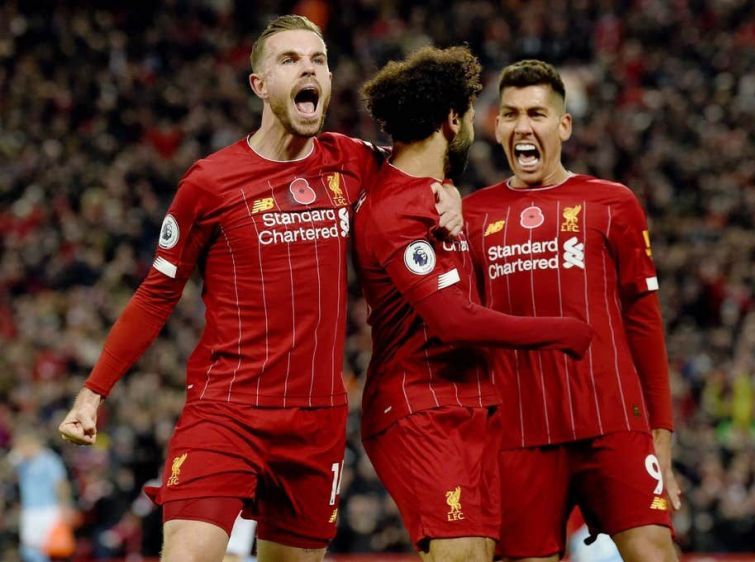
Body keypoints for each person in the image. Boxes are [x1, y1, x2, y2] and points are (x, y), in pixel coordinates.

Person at [57, 15, 462, 562]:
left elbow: (416, 182)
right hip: (227, 409)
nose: (309, 69)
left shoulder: (353, 161)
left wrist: (448, 192)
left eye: (318, 59)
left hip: (317, 421)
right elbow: (157, 292)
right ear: (260, 85)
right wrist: (93, 392)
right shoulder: (209, 183)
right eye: (290, 60)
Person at [353, 47, 593, 562]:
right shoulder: (395, 209)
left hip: (468, 405)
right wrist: (561, 331)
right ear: (451, 120)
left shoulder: (434, 195)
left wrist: (449, 190)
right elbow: (453, 320)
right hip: (420, 406)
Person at [462, 59, 680, 562]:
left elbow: (644, 323)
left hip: (611, 420)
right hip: (520, 432)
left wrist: (661, 438)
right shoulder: (471, 217)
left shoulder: (613, 204)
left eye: (537, 113)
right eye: (511, 114)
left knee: (654, 552)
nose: (523, 126)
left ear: (564, 125)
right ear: (496, 128)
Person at [9, 429, 74, 562]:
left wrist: (65, 505)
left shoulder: (49, 460)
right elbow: (7, 476)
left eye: (22, 445)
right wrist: (12, 459)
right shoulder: (23, 463)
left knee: (46, 549)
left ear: (32, 444)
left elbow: (61, 484)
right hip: (30, 511)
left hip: (48, 510)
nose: (20, 449)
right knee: (29, 550)